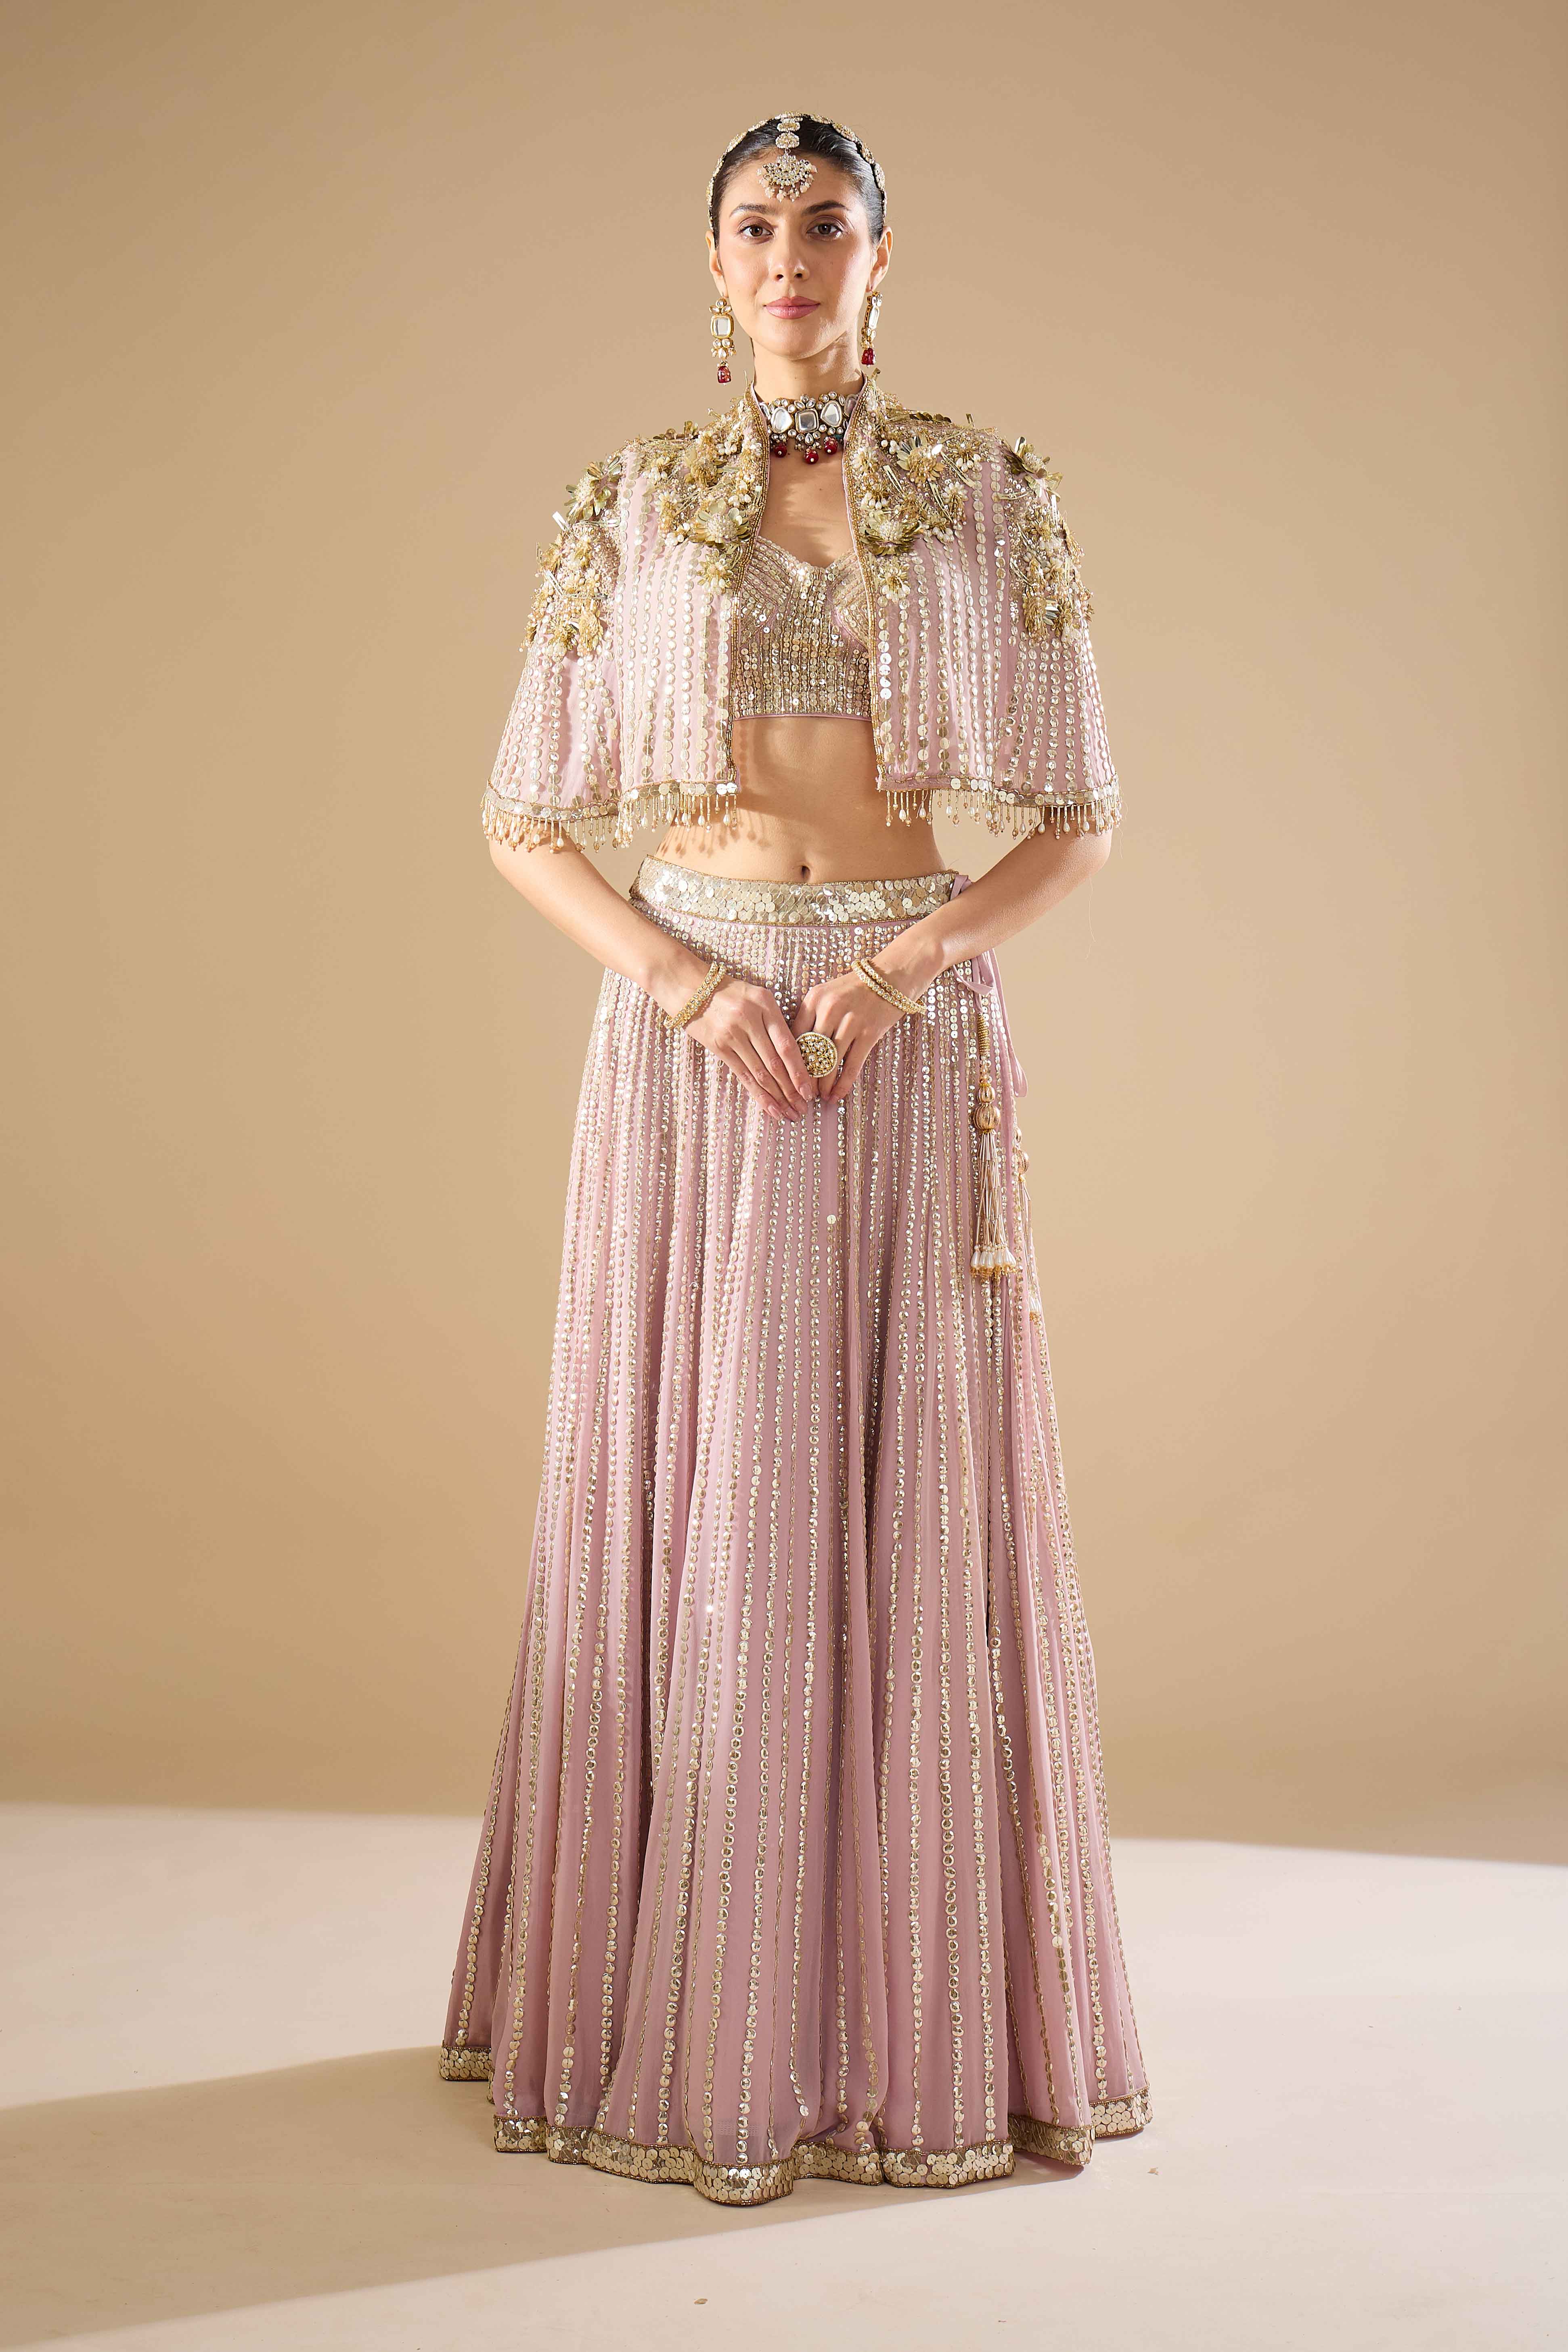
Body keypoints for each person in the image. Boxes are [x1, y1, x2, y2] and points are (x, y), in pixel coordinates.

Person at [438, 110, 1150, 2208]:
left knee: (907, 1502)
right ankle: (683, 2009)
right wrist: (681, 980)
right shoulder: (630, 503)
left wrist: (906, 968)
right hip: (698, 1043)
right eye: (755, 224)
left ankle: (906, 2031)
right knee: (708, 1495)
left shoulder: (987, 494)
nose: (788, 255)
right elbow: (521, 816)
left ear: (880, 254)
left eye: (824, 223)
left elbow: (1082, 815)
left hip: (896, 1036)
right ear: (713, 260)